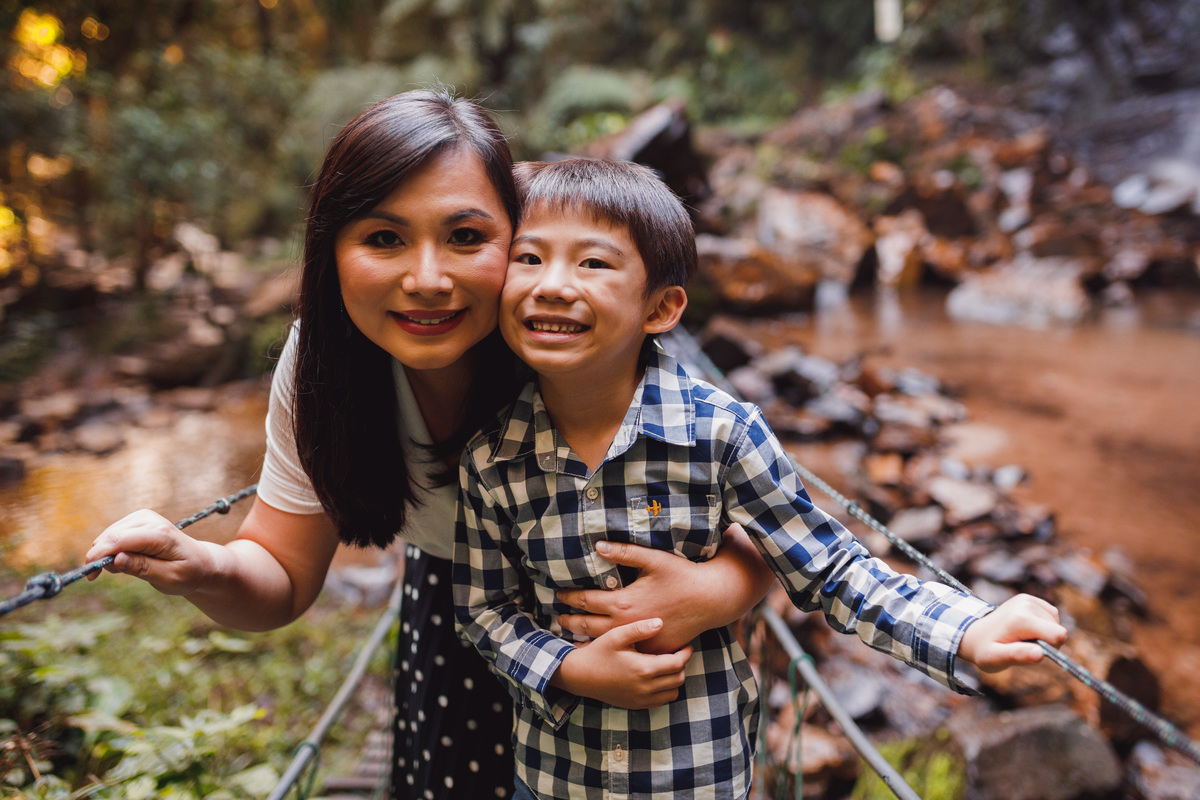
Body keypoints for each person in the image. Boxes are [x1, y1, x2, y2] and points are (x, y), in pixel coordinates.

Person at [84, 90, 777, 800]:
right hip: (463, 628)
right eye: (384, 239)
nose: (426, 280)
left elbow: (770, 526)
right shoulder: (326, 366)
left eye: (466, 237)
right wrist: (199, 564)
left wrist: (713, 591)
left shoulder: (572, 337)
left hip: (637, 648)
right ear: (332, 249)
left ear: (517, 238)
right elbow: (283, 577)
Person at [453, 157, 1070, 800]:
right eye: (529, 258)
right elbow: (484, 608)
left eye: (593, 263)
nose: (552, 285)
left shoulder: (720, 433)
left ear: (661, 308)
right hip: (553, 777)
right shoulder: (491, 460)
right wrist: (571, 669)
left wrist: (966, 630)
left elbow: (830, 569)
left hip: (697, 776)